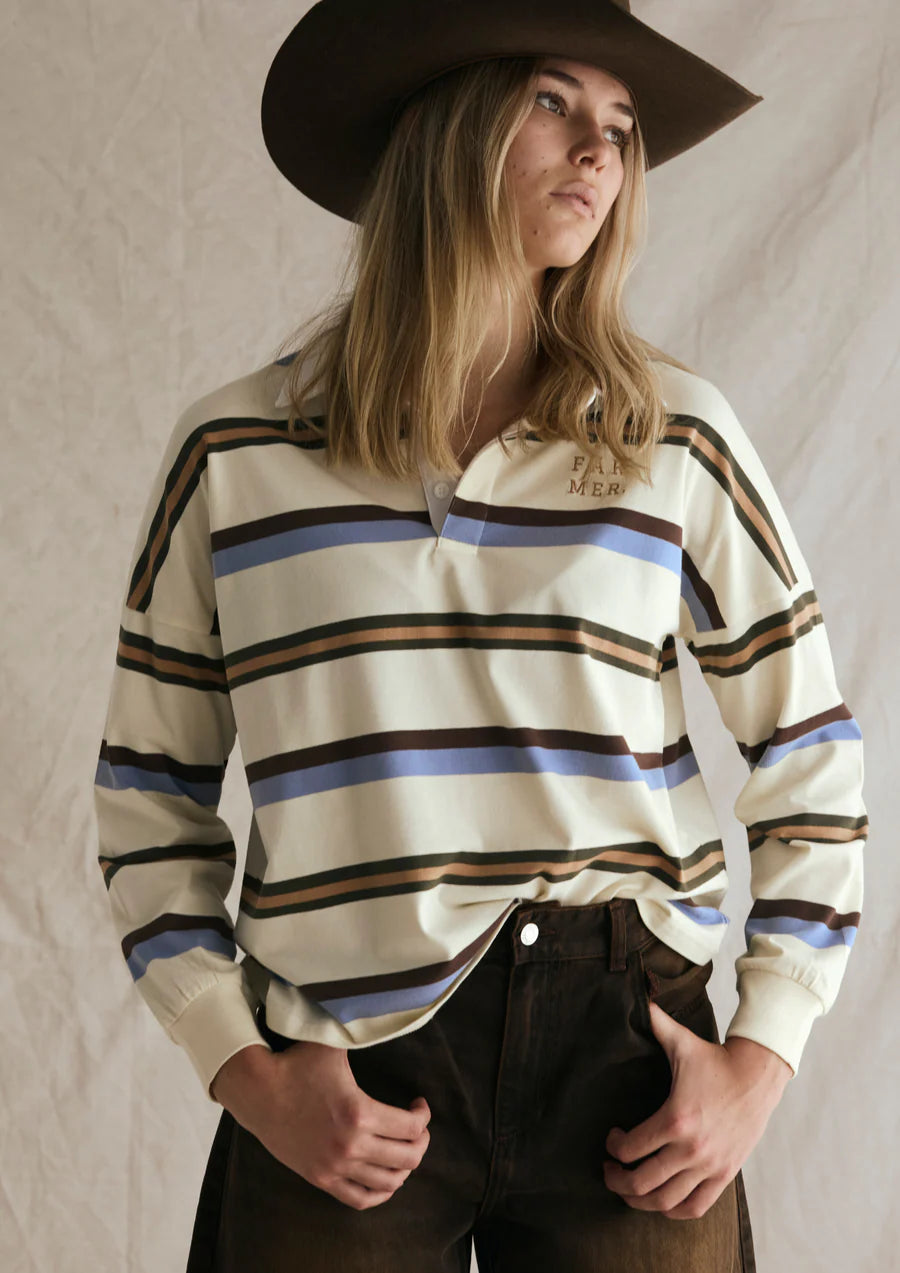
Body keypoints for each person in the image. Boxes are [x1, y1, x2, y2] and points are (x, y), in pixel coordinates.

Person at [93, 2, 868, 1270]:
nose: (600, 151)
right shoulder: (236, 453)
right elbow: (147, 792)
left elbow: (812, 755)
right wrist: (243, 1067)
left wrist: (761, 1056)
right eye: (554, 101)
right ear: (446, 126)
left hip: (629, 1055)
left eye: (621, 124)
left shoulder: (672, 435)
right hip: (339, 1067)